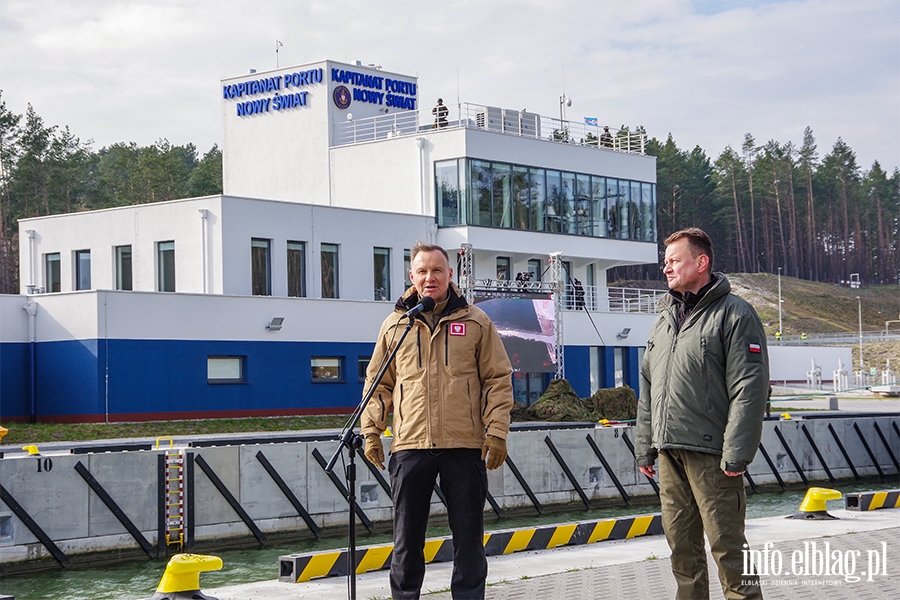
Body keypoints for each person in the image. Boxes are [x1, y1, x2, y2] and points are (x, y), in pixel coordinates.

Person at [362, 241, 514, 600]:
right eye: (423, 271)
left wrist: (497, 433)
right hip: (410, 447)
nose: (430, 277)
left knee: (469, 543)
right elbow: (378, 383)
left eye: (437, 270)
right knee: (406, 543)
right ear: (412, 276)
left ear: (449, 275)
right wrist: (371, 431)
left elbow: (497, 378)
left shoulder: (476, 321)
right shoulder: (395, 325)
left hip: (464, 447)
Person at [635, 228, 769, 600]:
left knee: (728, 549)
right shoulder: (664, 318)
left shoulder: (735, 314)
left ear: (701, 262)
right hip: (668, 451)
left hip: (713, 455)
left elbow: (750, 388)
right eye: (665, 262)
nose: (666, 268)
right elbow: (648, 385)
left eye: (674, 260)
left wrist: (737, 453)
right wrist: (645, 446)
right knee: (682, 550)